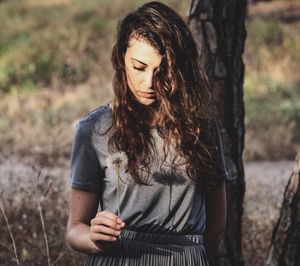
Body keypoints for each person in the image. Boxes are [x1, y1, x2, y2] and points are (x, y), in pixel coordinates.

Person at [66, 1, 229, 265]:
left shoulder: (202, 129)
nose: (149, 83)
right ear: (122, 59)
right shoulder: (93, 129)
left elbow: (217, 223)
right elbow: (75, 229)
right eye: (139, 67)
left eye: (162, 71)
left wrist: (189, 256)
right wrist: (94, 238)